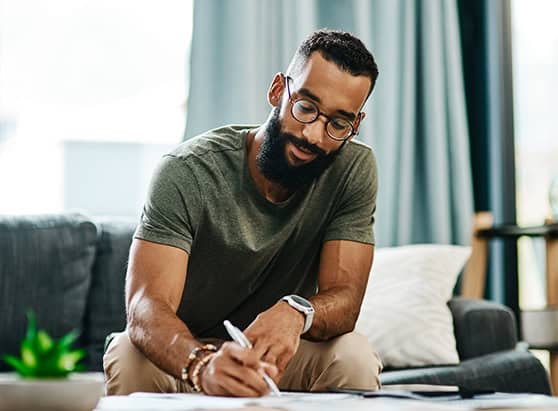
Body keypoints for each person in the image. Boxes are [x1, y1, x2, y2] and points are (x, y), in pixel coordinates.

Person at [104, 29, 382, 397]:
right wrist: (201, 365)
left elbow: (345, 298)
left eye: (337, 123)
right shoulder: (186, 170)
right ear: (278, 91)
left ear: (355, 124)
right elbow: (145, 307)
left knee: (354, 355)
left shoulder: (353, 168)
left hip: (274, 358)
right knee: (128, 353)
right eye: (306, 107)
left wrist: (297, 311)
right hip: (186, 353)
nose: (314, 135)